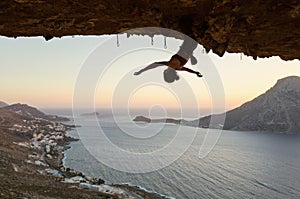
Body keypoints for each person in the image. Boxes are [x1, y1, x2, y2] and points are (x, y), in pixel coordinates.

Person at [134, 38, 203, 83]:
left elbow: (187, 70)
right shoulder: (170, 64)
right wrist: (141, 71)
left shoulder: (178, 68)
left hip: (192, 47)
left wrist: (196, 73)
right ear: (166, 73)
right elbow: (154, 64)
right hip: (187, 45)